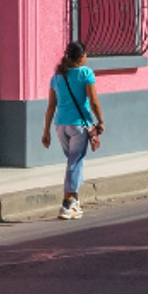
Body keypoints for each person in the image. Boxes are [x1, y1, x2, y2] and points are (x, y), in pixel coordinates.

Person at [40, 42, 104, 220]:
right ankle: (67, 204)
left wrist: (46, 131)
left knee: (73, 162)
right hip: (78, 126)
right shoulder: (86, 73)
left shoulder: (57, 76)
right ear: (81, 57)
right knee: (74, 163)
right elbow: (93, 101)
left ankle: (74, 202)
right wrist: (101, 121)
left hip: (60, 125)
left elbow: (51, 106)